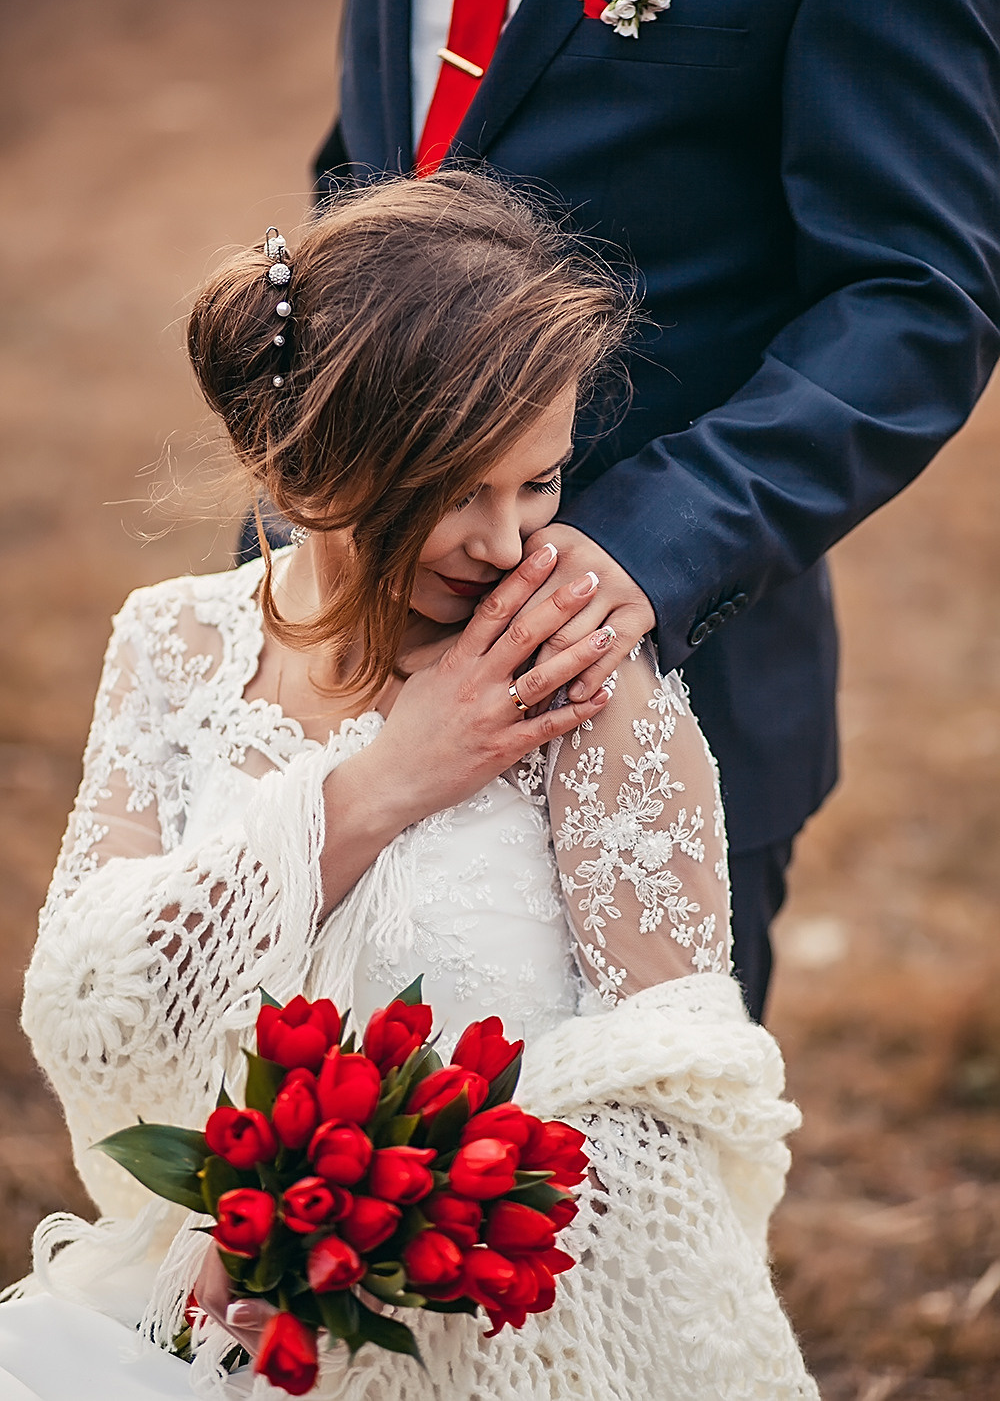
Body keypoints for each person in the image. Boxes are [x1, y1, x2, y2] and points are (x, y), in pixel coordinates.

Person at [0, 174, 817, 1398]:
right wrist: (382, 784)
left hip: (494, 1335)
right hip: (198, 1321)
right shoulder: (173, 647)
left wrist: (367, 1233)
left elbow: (680, 1084)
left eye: (538, 481)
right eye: (455, 490)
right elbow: (85, 1006)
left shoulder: (576, 680)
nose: (507, 544)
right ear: (309, 457)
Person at [301, 0, 1000, 1023]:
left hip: (652, 686)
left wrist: (654, 540)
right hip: (331, 656)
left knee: (637, 1117)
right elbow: (372, 170)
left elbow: (916, 298)